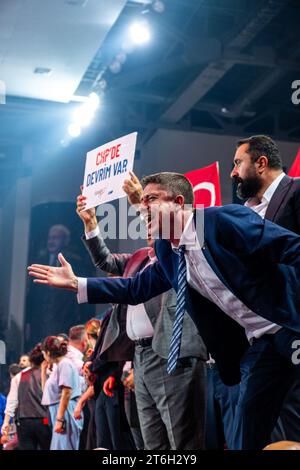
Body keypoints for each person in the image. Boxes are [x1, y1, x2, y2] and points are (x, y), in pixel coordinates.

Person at [29, 171, 300, 450]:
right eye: (142, 200)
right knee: (247, 430)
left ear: (179, 202)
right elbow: (135, 288)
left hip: (289, 324)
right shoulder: (167, 250)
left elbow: (290, 247)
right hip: (259, 344)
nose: (142, 206)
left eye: (151, 199)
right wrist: (77, 283)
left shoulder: (220, 220)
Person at [76, 173, 207, 450]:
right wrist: (91, 224)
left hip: (171, 353)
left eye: (151, 214)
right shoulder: (137, 258)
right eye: (146, 222)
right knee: (151, 443)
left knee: (182, 442)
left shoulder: (176, 253)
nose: (148, 225)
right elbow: (105, 260)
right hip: (139, 356)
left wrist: (139, 202)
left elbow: (181, 235)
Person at [231, 134, 300, 443]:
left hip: (294, 324)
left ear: (260, 163)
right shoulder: (243, 214)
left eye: (237, 163)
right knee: (249, 422)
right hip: (263, 335)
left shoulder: (297, 191)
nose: (233, 172)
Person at [41, 336, 83, 450]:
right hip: (59, 412)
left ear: (48, 352)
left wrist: (60, 419)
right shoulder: (60, 365)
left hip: (65, 412)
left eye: (44, 353)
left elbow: (66, 392)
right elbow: (47, 391)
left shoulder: (64, 364)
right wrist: (43, 371)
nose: (44, 357)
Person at [15, 343, 51, 450]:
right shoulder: (48, 374)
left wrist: (7, 421)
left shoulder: (19, 376)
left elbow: (13, 401)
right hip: (43, 419)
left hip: (23, 420)